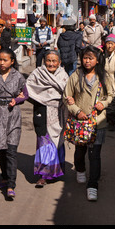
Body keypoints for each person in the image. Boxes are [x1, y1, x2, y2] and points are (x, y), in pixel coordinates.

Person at [63, 45, 113, 201]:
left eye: (91, 58)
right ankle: (80, 169)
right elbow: (67, 96)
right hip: (80, 123)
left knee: (95, 154)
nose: (87, 61)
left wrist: (103, 104)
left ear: (97, 60)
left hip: (98, 122)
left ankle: (93, 185)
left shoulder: (104, 77)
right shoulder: (75, 75)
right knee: (80, 152)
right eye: (85, 58)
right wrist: (77, 110)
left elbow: (111, 95)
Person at [0, 49, 28, 199]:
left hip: (13, 114)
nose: (2, 63)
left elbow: (26, 94)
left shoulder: (19, 77)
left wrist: (18, 100)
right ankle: (4, 176)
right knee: (1, 149)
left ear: (12, 61)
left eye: (5, 60)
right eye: (0, 60)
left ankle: (11, 185)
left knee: (11, 150)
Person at [26, 50, 69, 187]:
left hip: (58, 112)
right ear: (44, 61)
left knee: (57, 142)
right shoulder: (38, 73)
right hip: (42, 111)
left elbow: (68, 92)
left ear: (59, 62)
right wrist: (41, 99)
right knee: (44, 142)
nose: (51, 63)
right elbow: (29, 88)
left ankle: (56, 170)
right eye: (48, 60)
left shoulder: (63, 75)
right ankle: (43, 175)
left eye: (54, 61)